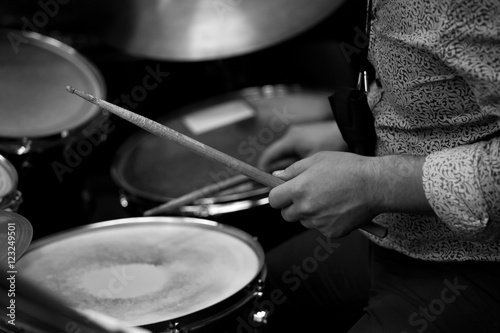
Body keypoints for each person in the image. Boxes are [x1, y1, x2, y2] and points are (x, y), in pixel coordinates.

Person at [256, 0, 500, 332]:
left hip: (475, 256)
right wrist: (346, 132)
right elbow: (428, 80)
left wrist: (378, 183)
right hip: (397, 234)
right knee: (255, 290)